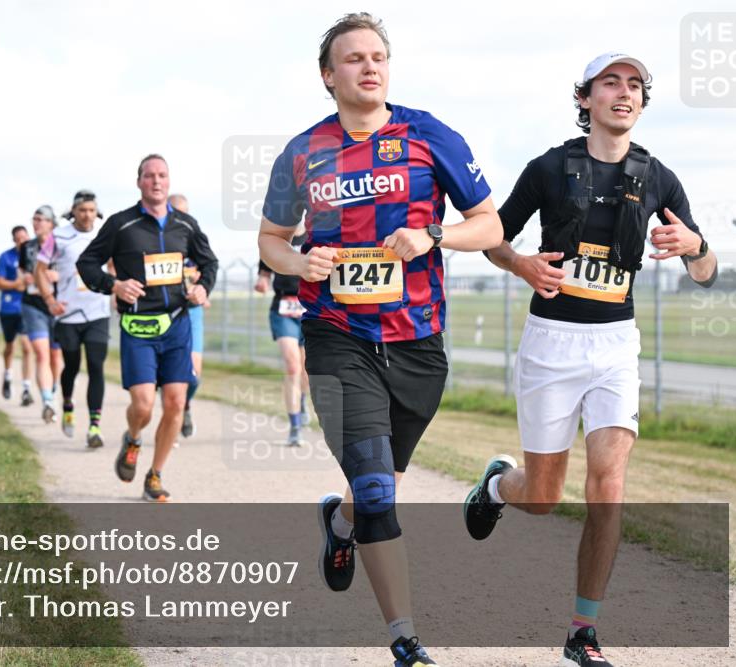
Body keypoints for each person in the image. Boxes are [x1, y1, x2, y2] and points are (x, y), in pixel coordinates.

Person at [257, 13, 502, 666]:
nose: (369, 67)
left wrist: (435, 235)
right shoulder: (303, 152)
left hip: (418, 343)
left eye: (378, 57)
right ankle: (405, 637)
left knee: (379, 483)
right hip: (337, 336)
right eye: (353, 58)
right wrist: (296, 262)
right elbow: (271, 239)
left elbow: (490, 223)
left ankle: (336, 523)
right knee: (378, 490)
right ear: (327, 76)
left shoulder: (428, 136)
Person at [462, 52, 718, 667]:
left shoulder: (658, 177)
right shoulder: (550, 168)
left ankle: (584, 632)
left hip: (614, 346)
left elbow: (705, 273)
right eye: (611, 83)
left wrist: (696, 245)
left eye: (634, 85)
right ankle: (498, 485)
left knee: (609, 482)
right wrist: (521, 263)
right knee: (544, 497)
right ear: (586, 99)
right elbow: (492, 234)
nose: (624, 92)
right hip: (552, 344)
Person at [79, 154, 218, 502]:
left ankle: (154, 475)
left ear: (168, 182)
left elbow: (209, 262)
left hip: (176, 325)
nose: (156, 181)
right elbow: (87, 263)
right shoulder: (120, 224)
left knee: (174, 402)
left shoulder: (185, 225)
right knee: (142, 406)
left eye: (162, 175)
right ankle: (133, 438)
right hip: (138, 328)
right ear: (139, 182)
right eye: (149, 176)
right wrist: (114, 285)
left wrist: (203, 288)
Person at [36, 190, 112, 447]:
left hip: (98, 312)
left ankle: (94, 426)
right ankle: (67, 403)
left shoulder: (105, 233)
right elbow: (40, 270)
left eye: (91, 210)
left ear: (96, 211)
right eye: (82, 210)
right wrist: (49, 300)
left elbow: (113, 265)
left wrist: (115, 289)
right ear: (74, 211)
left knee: (95, 366)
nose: (87, 215)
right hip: (68, 314)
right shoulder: (58, 237)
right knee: (71, 365)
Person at [255, 224, 311, 446]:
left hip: (309, 310)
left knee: (307, 371)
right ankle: (295, 426)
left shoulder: (314, 237)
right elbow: (264, 273)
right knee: (292, 366)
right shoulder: (275, 240)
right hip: (283, 309)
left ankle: (302, 400)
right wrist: (263, 281)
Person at [167, 193, 206, 439]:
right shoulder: (158, 241)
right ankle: (173, 418)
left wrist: (204, 290)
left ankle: (186, 405)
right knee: (171, 376)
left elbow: (208, 268)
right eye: (176, 212)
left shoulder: (196, 240)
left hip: (192, 312)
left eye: (185, 212)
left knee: (194, 376)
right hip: (166, 312)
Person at [20, 206, 64, 423]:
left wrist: (57, 275)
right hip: (33, 305)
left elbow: (74, 270)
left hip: (57, 305)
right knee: (41, 353)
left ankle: (53, 391)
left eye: (41, 219)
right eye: (34, 219)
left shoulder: (62, 243)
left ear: (51, 223)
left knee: (56, 356)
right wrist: (28, 278)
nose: (36, 223)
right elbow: (22, 274)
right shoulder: (27, 247)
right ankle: (47, 400)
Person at [0, 225, 35, 405]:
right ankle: (8, 375)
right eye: (18, 239)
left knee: (27, 346)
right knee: (10, 346)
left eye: (24, 238)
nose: (21, 241)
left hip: (28, 307)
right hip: (9, 308)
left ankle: (26, 388)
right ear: (14, 240)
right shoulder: (6, 257)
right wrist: (16, 284)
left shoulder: (36, 255)